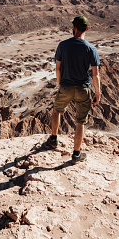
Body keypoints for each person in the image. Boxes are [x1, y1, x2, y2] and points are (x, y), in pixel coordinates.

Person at [44, 15, 101, 163]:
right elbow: (95, 75)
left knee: (57, 110)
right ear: (87, 29)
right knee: (80, 121)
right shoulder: (91, 49)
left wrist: (60, 84)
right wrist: (98, 93)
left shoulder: (63, 45)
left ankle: (54, 139)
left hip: (66, 86)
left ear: (74, 28)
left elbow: (58, 69)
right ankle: (76, 154)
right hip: (83, 89)